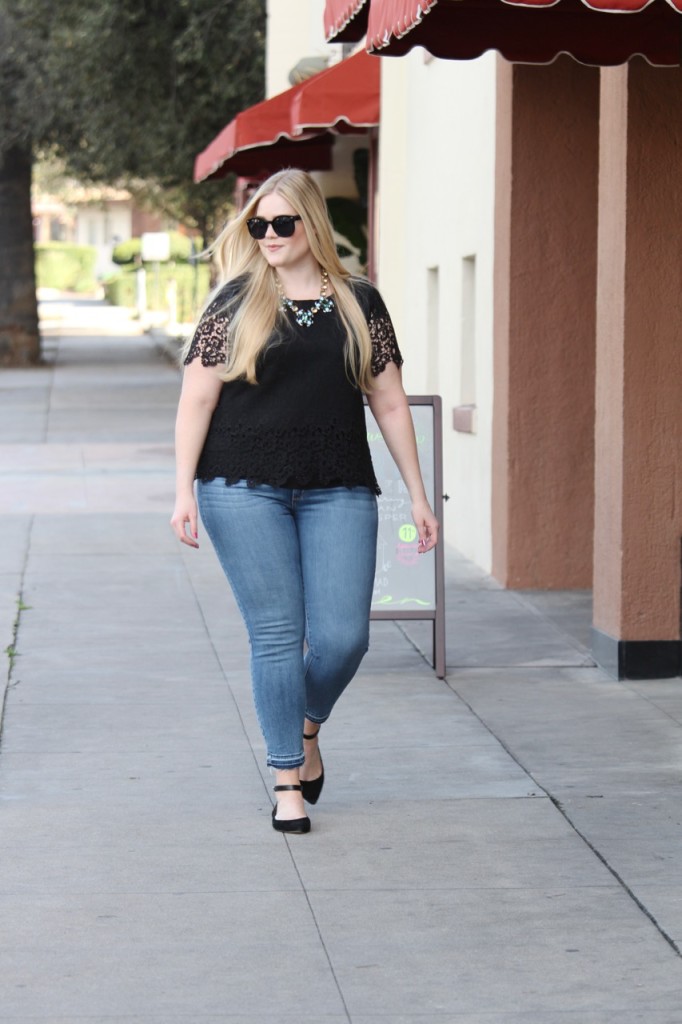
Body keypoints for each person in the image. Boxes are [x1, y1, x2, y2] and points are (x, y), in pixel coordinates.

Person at [171, 168, 438, 834]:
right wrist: (182, 490)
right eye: (258, 225)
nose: (268, 236)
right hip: (239, 484)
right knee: (277, 637)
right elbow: (198, 399)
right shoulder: (233, 301)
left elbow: (390, 400)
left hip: (339, 485)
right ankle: (286, 776)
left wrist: (419, 493)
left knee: (345, 638)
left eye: (282, 224)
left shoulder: (358, 302)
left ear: (311, 226)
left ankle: (307, 726)